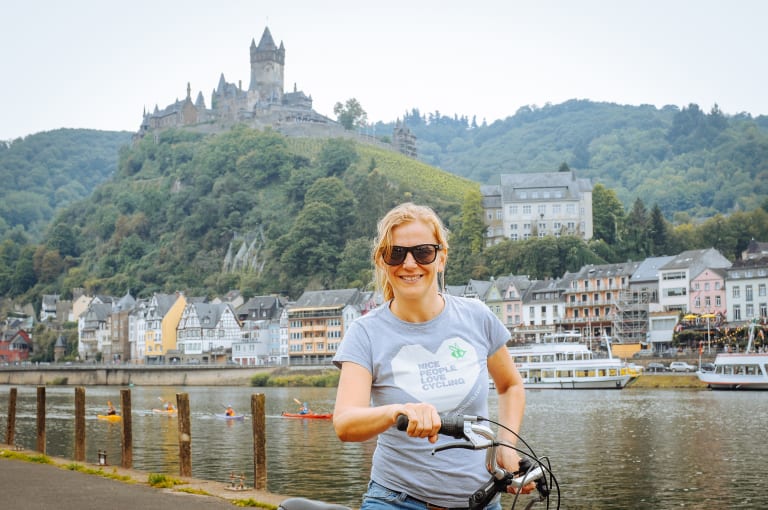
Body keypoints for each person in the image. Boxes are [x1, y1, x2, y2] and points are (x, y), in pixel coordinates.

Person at [332, 202, 531, 510]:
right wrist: (397, 411)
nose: (409, 264)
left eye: (423, 252)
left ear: (441, 258)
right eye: (396, 254)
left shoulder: (477, 316)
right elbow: (345, 423)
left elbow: (510, 386)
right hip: (396, 500)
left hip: (481, 500)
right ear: (382, 262)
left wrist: (505, 446)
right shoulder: (365, 332)